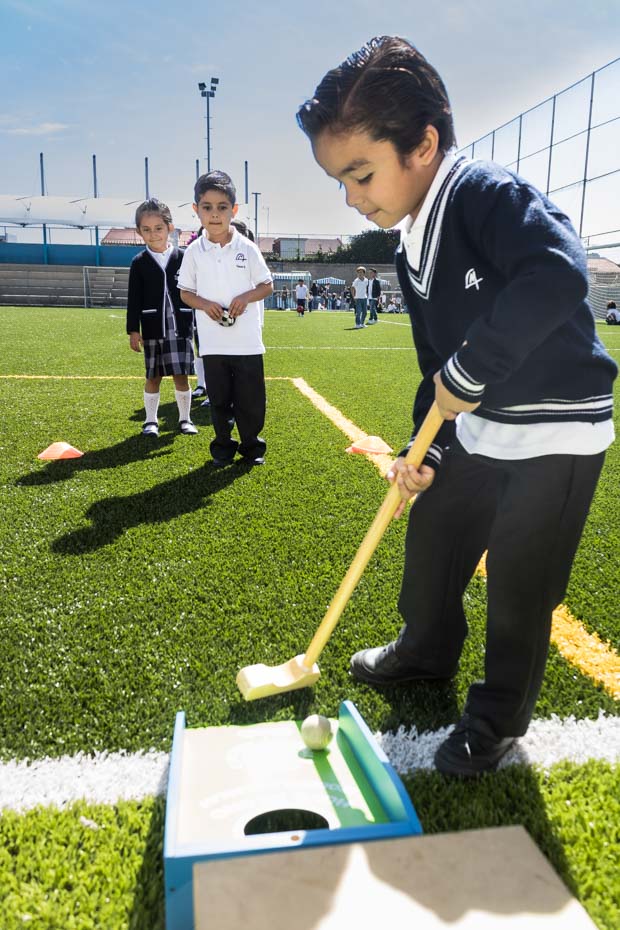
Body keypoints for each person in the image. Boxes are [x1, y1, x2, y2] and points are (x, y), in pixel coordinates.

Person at [297, 35, 617, 777]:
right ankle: (426, 649)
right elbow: (434, 370)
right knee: (435, 536)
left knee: (520, 584)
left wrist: (472, 370)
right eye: (341, 182)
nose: (353, 197)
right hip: (477, 425)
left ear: (423, 145)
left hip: (557, 430)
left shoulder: (484, 193)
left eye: (361, 174)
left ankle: (497, 717)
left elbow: (558, 273)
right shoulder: (408, 244)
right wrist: (429, 449)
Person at [178, 170, 273, 466]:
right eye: (207, 207)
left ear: (234, 210)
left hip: (247, 343)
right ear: (196, 210)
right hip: (212, 343)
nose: (215, 214)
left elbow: (267, 285)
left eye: (222, 207)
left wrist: (245, 298)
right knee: (218, 401)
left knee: (250, 401)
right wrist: (205, 304)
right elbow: (185, 293)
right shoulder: (194, 251)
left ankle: (251, 448)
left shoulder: (247, 248)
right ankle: (222, 447)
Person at [126, 198, 197, 438]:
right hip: (152, 327)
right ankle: (150, 421)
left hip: (180, 327)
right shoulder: (139, 263)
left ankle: (185, 419)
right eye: (146, 229)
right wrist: (133, 330)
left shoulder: (183, 257)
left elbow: (194, 291)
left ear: (170, 228)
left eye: (158, 228)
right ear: (139, 232)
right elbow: (133, 299)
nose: (153, 234)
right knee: (153, 376)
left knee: (181, 376)